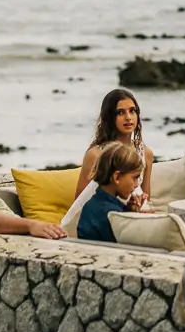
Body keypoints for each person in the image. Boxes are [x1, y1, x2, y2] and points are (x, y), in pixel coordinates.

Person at [62, 89, 155, 230]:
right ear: (110, 117)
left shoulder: (145, 153)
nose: (128, 117)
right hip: (100, 222)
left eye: (132, 111)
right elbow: (80, 202)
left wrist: (138, 206)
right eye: (120, 113)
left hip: (133, 218)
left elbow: (145, 197)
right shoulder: (95, 154)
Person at [76, 142, 145, 243]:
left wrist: (130, 211)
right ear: (116, 177)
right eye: (135, 178)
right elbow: (129, 244)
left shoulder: (93, 204)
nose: (136, 184)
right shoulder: (112, 214)